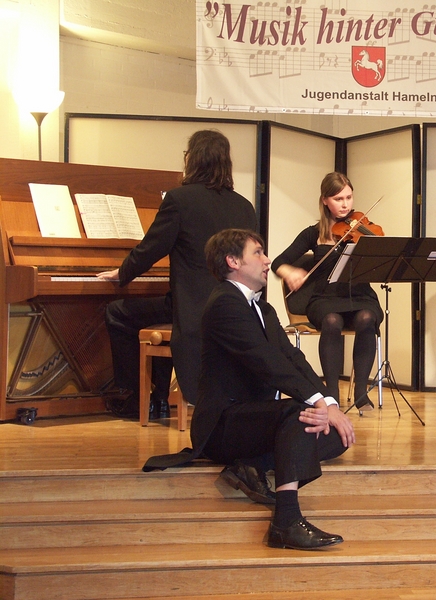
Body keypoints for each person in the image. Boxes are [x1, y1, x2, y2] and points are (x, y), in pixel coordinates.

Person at [194, 228, 354, 549]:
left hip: (258, 420)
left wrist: (331, 404)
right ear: (233, 261)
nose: (268, 261)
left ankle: (253, 466)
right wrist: (315, 404)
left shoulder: (264, 309)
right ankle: (286, 521)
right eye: (258, 253)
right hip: (224, 424)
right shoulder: (224, 303)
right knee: (299, 414)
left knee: (337, 434)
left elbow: (293, 359)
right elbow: (267, 362)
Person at [99, 130, 257, 419]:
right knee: (165, 312)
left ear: (193, 159)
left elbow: (150, 249)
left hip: (193, 310)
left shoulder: (179, 199)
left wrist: (122, 273)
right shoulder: (244, 206)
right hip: (232, 309)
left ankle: (136, 398)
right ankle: (159, 396)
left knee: (117, 313)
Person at [272, 172, 382, 411]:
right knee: (332, 321)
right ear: (325, 200)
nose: (345, 204)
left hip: (360, 296)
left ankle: (361, 392)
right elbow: (278, 261)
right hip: (325, 299)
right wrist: (289, 272)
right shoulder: (313, 233)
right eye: (338, 199)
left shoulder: (362, 228)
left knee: (367, 318)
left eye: (348, 197)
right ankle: (331, 393)